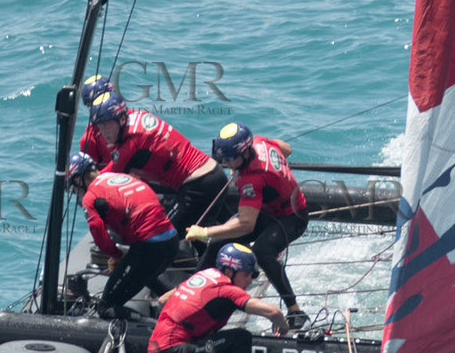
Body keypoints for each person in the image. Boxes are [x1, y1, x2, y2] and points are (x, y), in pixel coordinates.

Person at [186, 122, 310, 329]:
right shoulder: (260, 142)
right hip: (272, 209)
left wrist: (204, 232)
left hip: (293, 218)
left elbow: (246, 224)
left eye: (228, 159)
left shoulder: (252, 180)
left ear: (244, 154)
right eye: (222, 157)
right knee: (218, 244)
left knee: (263, 251)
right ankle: (193, 290)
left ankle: (294, 309)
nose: (224, 163)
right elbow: (285, 148)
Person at [144, 244, 289, 353]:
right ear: (228, 272)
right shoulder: (227, 290)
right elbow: (273, 311)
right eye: (246, 275)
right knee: (241, 338)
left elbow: (163, 300)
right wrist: (281, 324)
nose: (250, 281)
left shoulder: (203, 276)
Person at [84, 91, 232, 237]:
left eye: (106, 125)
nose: (103, 133)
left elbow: (102, 181)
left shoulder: (133, 144)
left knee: (164, 236)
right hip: (212, 174)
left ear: (121, 119)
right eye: (99, 126)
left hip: (199, 185)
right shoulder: (134, 115)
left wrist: (79, 178)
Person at [68, 151, 178, 320]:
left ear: (78, 179)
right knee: (142, 274)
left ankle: (156, 330)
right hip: (171, 241)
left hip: (149, 247)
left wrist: (117, 256)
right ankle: (183, 308)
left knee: (106, 307)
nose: (75, 192)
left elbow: (100, 237)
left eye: (74, 187)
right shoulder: (116, 177)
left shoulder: (91, 197)